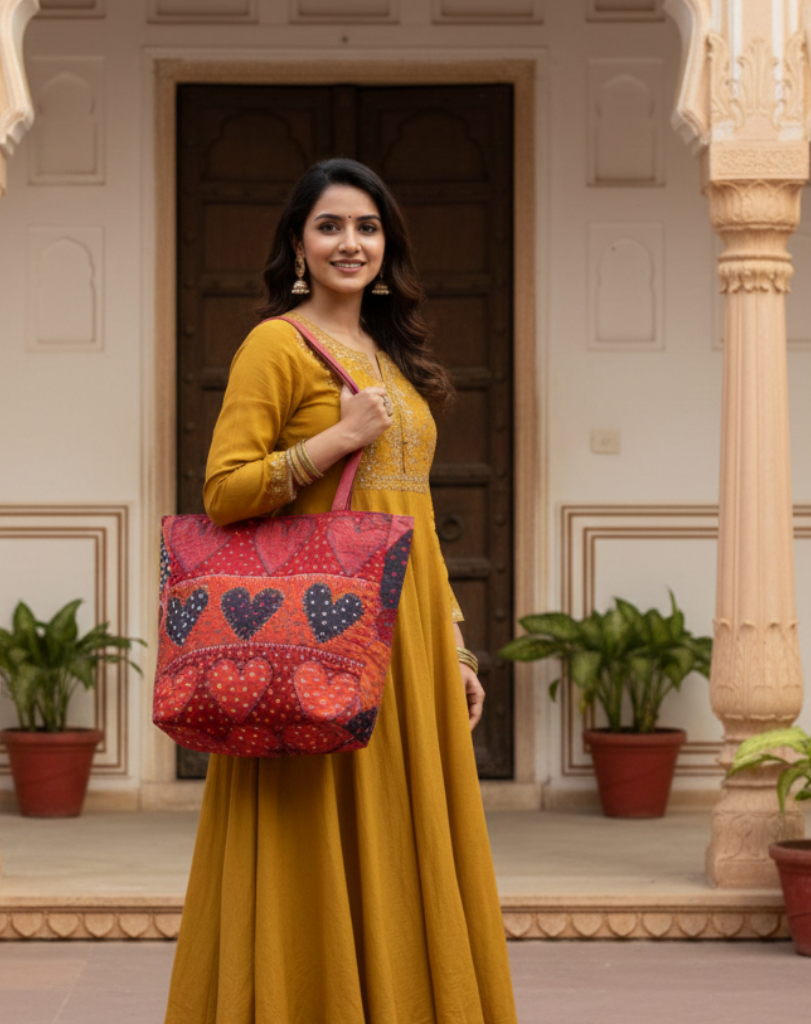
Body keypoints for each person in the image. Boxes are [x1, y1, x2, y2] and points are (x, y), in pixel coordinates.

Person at [164, 158, 518, 1024]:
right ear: (298, 243)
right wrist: (333, 441)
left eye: (366, 227)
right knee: (313, 831)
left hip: (410, 635)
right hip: (317, 634)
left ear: (387, 244)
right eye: (330, 226)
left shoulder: (392, 355)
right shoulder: (275, 345)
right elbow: (224, 489)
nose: (349, 243)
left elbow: (416, 519)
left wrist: (457, 646)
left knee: (408, 831)